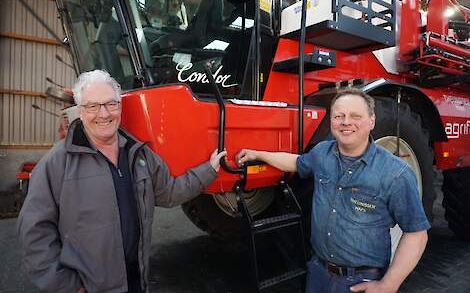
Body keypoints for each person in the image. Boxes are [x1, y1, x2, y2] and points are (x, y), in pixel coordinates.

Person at [17, 69, 227, 293]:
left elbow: (169, 192)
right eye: (93, 106)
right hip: (89, 287)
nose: (104, 114)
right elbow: (34, 231)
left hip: (136, 279)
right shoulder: (57, 163)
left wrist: (209, 169)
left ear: (120, 106)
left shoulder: (139, 154)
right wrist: (67, 286)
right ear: (80, 111)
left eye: (111, 104)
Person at [236, 89, 430, 293]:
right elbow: (295, 162)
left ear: (372, 121)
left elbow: (416, 234)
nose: (346, 122)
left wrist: (389, 284)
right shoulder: (322, 153)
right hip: (318, 273)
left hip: (360, 281)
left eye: (356, 116)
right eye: (339, 116)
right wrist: (257, 153)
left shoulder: (395, 173)